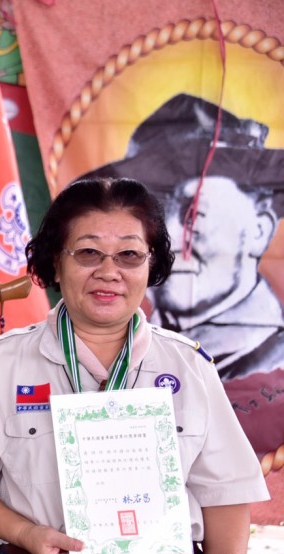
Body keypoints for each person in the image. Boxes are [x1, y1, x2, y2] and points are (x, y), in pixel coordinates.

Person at [0, 177, 270, 554]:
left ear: (152, 265)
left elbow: (224, 487)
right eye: (88, 252)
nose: (109, 272)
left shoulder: (188, 367)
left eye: (130, 256)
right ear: (55, 261)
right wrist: (28, 533)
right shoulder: (3, 364)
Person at [90, 93, 284, 381]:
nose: (169, 239)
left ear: (259, 229)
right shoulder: (112, 362)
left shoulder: (273, 364)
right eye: (150, 219)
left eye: (194, 215)